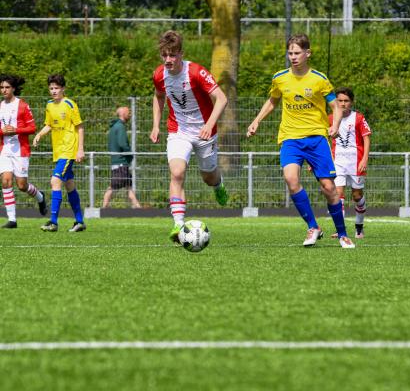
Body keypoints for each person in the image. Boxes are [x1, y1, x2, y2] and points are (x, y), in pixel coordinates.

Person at [247, 34, 355, 249]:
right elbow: (272, 101)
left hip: (316, 138)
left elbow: (335, 106)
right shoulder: (280, 78)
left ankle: (342, 234)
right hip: (290, 138)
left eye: (297, 53)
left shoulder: (319, 79)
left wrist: (334, 125)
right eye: (290, 53)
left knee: (328, 187)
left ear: (308, 54)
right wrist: (256, 120)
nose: (293, 57)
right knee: (291, 179)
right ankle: (313, 227)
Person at [150, 30, 229, 243]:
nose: (168, 60)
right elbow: (158, 98)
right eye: (164, 55)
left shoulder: (196, 72)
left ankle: (218, 184)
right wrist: (156, 125)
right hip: (178, 131)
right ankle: (178, 225)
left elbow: (221, 98)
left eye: (172, 55)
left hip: (205, 132)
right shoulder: (159, 75)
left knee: (208, 177)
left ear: (181, 54)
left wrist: (210, 124)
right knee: (177, 172)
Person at [33, 74, 86, 232]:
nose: (54, 91)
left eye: (56, 88)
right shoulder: (49, 105)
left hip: (69, 150)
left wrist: (80, 149)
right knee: (69, 185)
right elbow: (49, 125)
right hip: (59, 151)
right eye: (51, 88)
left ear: (63, 89)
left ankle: (53, 222)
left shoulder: (70, 104)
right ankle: (79, 221)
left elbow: (79, 127)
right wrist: (39, 135)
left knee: (55, 181)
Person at [0, 74, 47, 228]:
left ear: (13, 88)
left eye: (7, 87)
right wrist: (3, 132)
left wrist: (16, 130)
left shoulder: (22, 105)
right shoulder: (0, 106)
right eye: (2, 87)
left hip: (21, 149)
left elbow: (32, 128)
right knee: (6, 181)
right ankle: (12, 219)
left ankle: (40, 197)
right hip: (4, 149)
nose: (4, 90)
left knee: (21, 185)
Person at [328, 87, 371, 239]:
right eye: (340, 100)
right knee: (338, 194)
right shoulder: (330, 118)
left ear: (351, 103)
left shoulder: (358, 118)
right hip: (337, 162)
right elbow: (324, 140)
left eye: (346, 101)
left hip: (355, 162)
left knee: (357, 196)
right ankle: (340, 229)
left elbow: (366, 138)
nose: (343, 103)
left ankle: (359, 228)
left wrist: (365, 158)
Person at [102, 106, 141, 209]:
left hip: (119, 162)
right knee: (113, 186)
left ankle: (137, 206)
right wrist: (130, 155)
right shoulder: (120, 127)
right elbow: (122, 144)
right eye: (128, 112)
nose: (130, 114)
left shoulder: (115, 127)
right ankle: (103, 208)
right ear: (123, 114)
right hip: (120, 162)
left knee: (129, 186)